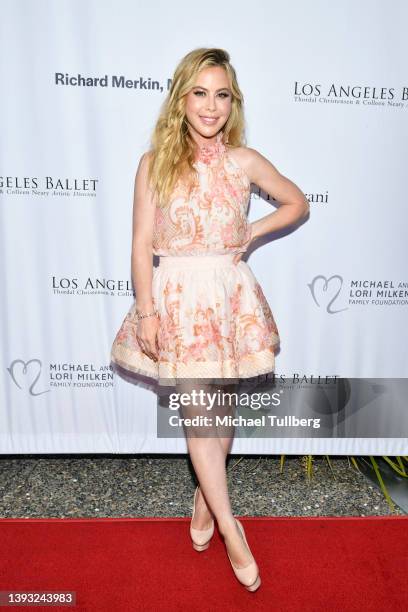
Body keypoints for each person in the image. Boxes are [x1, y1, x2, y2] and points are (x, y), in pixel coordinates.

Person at [111, 47, 309, 592]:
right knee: (202, 419)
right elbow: (139, 247)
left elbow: (297, 203)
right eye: (200, 92)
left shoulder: (244, 162)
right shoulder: (154, 163)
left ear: (232, 102)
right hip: (175, 297)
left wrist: (252, 232)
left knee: (219, 418)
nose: (211, 105)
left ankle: (204, 500)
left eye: (221, 95)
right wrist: (147, 311)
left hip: (227, 295)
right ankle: (231, 528)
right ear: (181, 97)